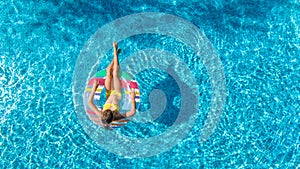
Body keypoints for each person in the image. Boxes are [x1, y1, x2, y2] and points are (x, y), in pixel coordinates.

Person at [88, 42, 136, 129]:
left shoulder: (101, 114)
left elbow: (89, 102)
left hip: (108, 92)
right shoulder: (117, 116)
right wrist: (132, 98)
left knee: (108, 70)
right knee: (115, 72)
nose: (110, 108)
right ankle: (115, 52)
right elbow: (132, 112)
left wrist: (94, 89)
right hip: (117, 93)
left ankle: (116, 55)